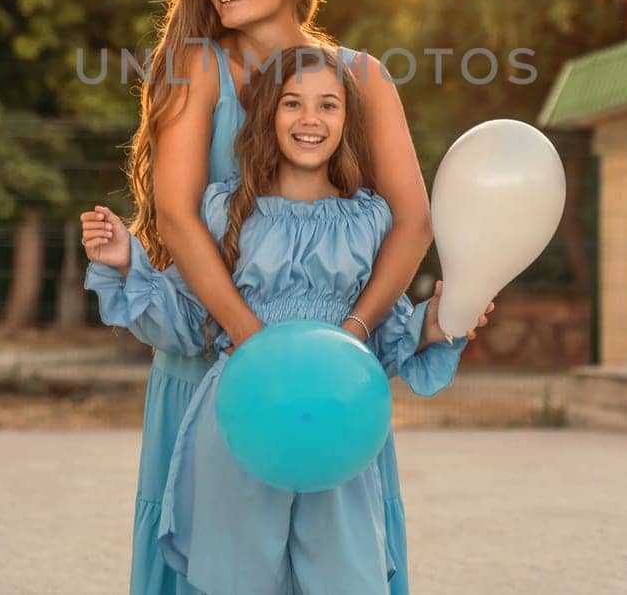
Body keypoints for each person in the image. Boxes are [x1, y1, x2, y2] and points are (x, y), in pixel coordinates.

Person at [79, 0, 441, 594]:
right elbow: (179, 219)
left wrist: (351, 335)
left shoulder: (361, 78)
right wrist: (256, 345)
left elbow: (412, 221)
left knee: (338, 556)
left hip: (330, 376)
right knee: (221, 561)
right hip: (212, 356)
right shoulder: (196, 67)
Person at [86, 46, 487, 593]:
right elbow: (188, 319)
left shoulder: (368, 220)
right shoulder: (226, 211)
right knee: (237, 576)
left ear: (347, 121)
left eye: (328, 105)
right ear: (268, 115)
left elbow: (383, 337)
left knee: (341, 575)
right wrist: (126, 262)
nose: (310, 120)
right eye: (293, 103)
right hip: (242, 419)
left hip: (336, 424)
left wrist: (436, 323)